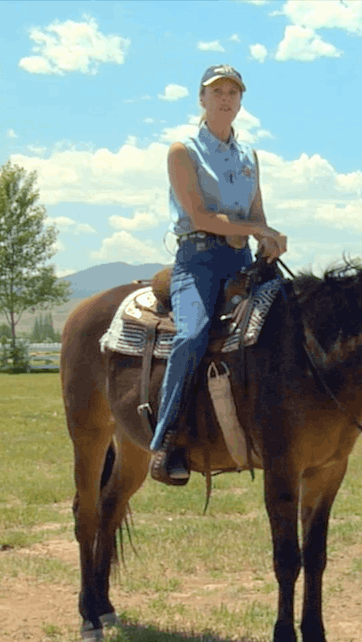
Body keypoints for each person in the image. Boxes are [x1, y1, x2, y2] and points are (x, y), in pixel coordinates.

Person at [149, 64, 288, 483]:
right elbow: (199, 215)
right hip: (199, 259)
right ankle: (166, 440)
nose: (226, 98)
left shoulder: (249, 157)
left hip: (243, 260)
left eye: (233, 91)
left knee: (291, 323)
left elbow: (257, 212)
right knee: (192, 336)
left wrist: (268, 238)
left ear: (241, 101)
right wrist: (255, 229)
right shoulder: (183, 150)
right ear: (202, 99)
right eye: (217, 91)